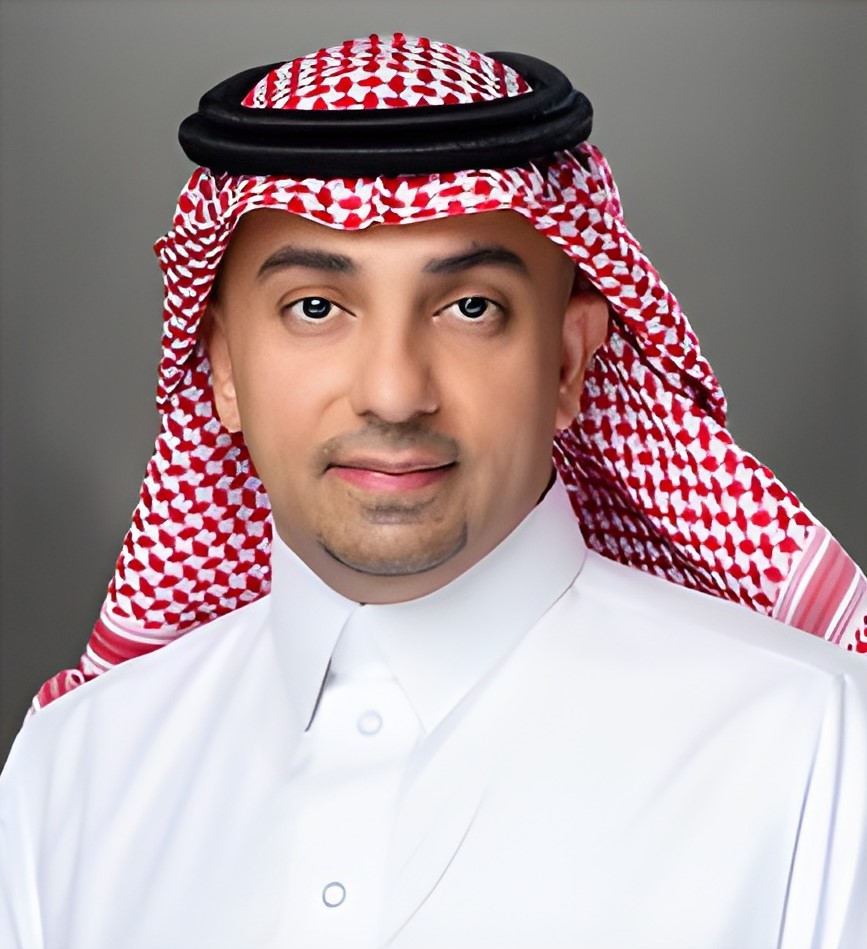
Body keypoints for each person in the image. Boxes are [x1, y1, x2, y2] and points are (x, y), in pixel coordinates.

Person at [1, 33, 866, 948]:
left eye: (470, 307)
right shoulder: (75, 776)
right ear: (220, 368)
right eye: (315, 308)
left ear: (568, 362)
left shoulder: (812, 746)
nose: (393, 391)